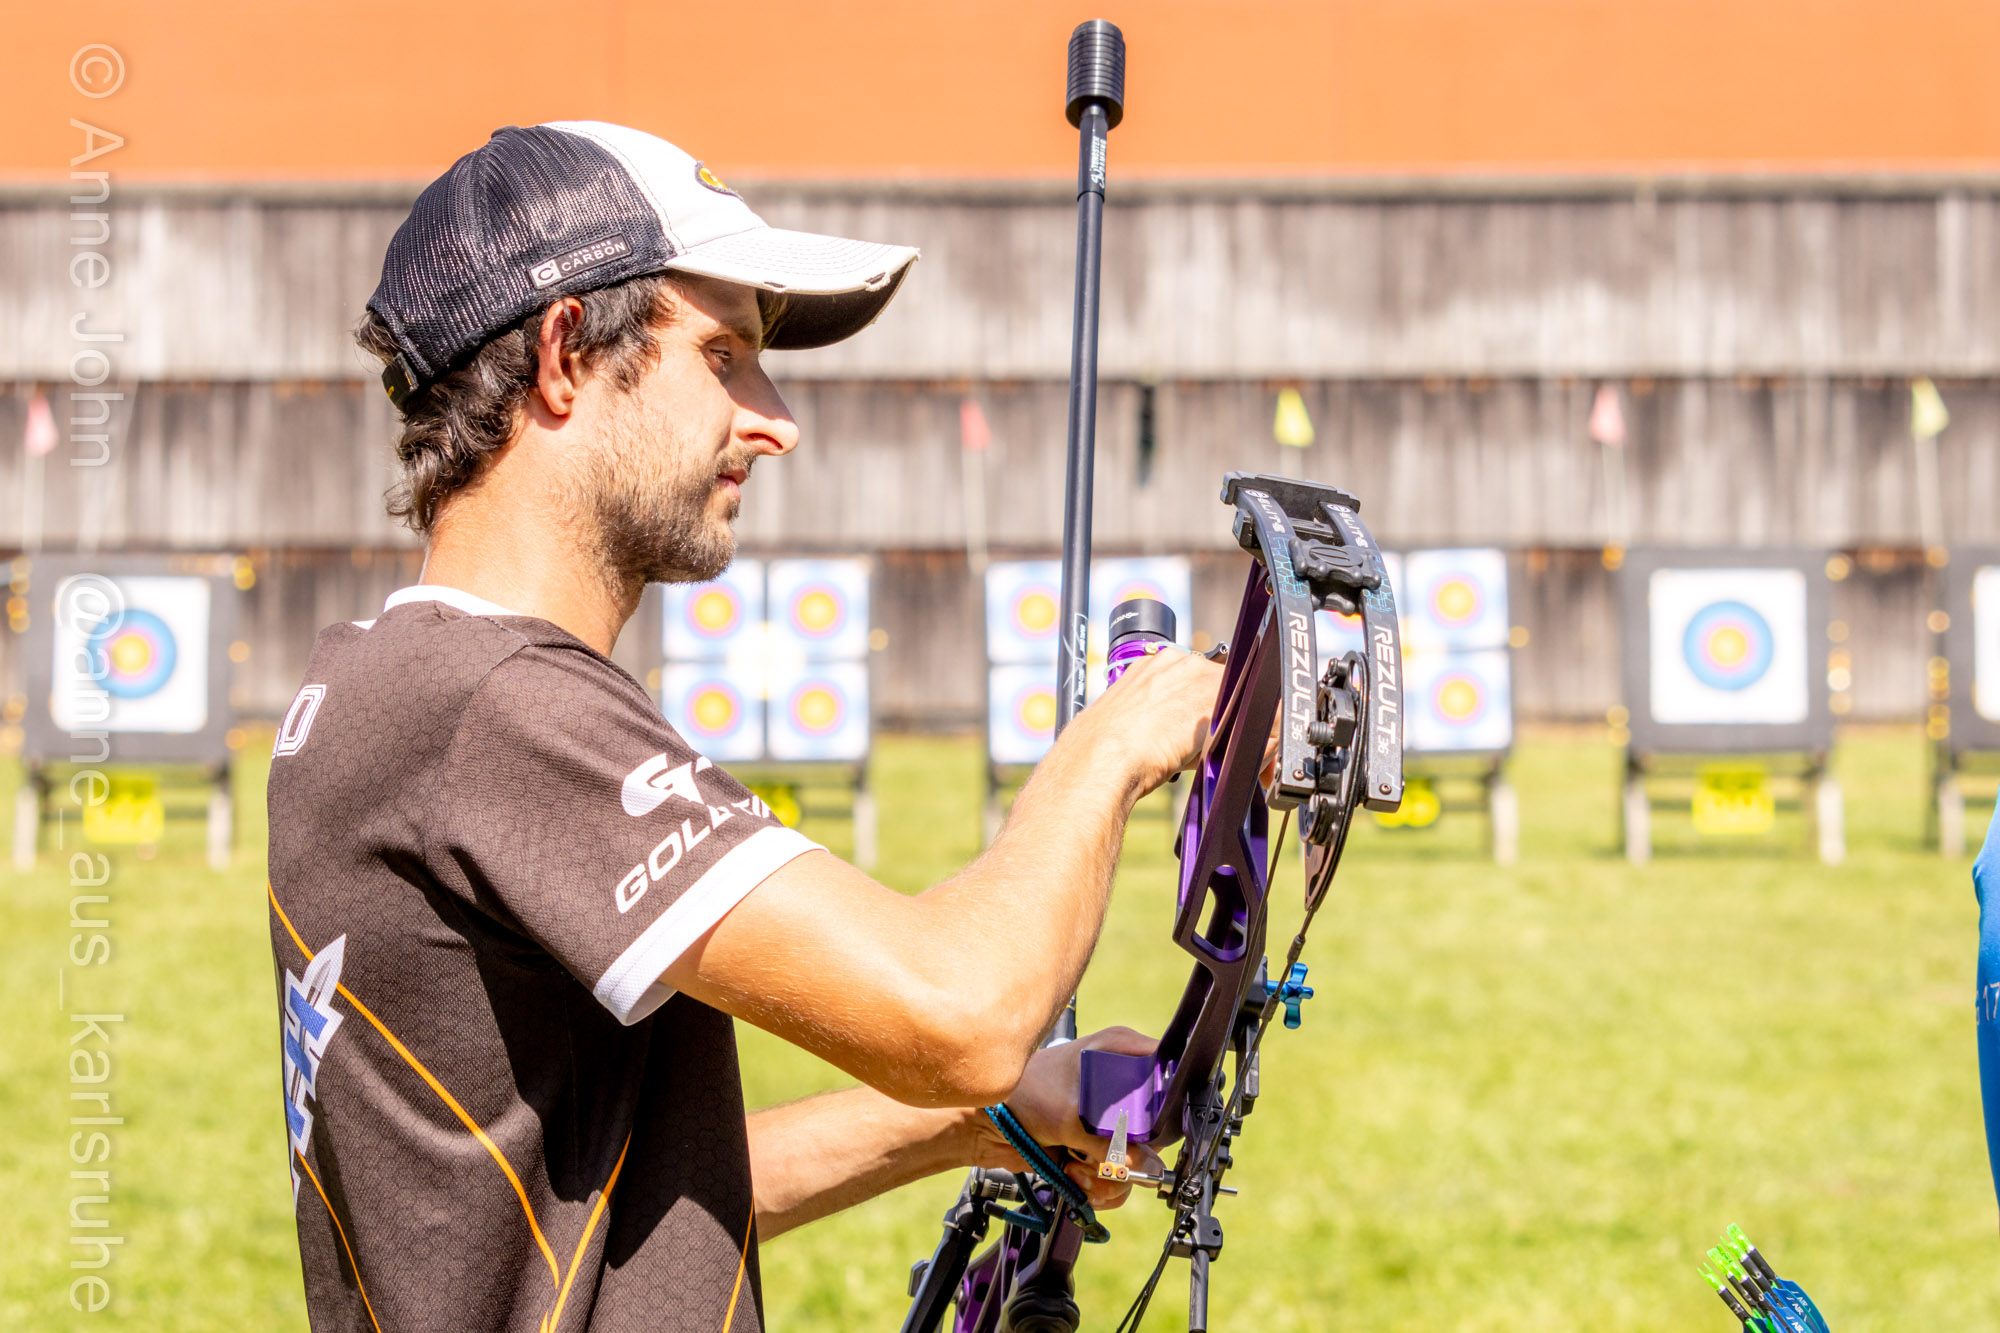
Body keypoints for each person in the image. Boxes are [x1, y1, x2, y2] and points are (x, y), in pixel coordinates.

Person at [266, 121, 1219, 1333]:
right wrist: (1118, 739)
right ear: (564, 355)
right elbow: (960, 1012)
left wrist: (989, 1119)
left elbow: (611, 1210)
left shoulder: (368, 689)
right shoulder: (495, 704)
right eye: (721, 356)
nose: (774, 422)